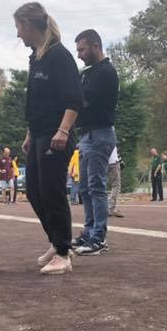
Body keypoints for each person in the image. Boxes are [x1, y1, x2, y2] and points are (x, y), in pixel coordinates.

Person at [15, 2, 83, 272]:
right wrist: (30, 132)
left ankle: (64, 253)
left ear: (30, 26)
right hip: (40, 133)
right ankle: (57, 241)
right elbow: (36, 102)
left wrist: (63, 131)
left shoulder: (59, 56)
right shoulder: (37, 57)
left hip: (57, 134)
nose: (18, 34)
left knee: (52, 191)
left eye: (19, 27)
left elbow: (74, 99)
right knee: (33, 191)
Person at [73, 28, 119, 255]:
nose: (79, 54)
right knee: (85, 187)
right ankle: (90, 232)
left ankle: (98, 237)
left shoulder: (105, 72)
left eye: (82, 49)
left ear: (95, 45)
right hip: (88, 135)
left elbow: (83, 101)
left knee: (96, 186)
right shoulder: (90, 72)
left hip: (99, 133)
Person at [107, 145, 124, 218]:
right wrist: (121, 161)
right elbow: (116, 152)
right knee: (116, 185)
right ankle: (110, 208)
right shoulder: (110, 136)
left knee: (100, 185)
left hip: (104, 163)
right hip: (113, 163)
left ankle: (102, 208)